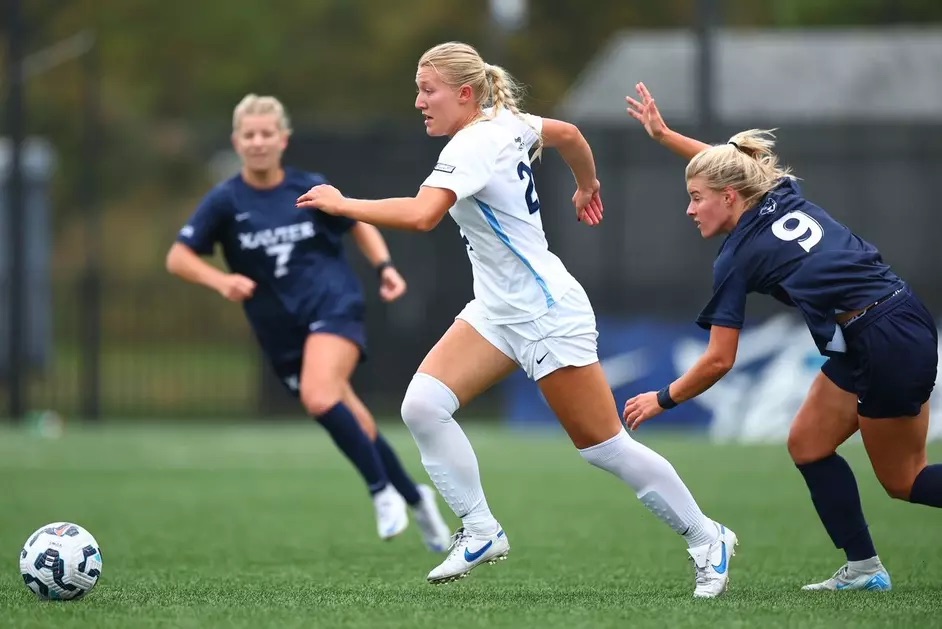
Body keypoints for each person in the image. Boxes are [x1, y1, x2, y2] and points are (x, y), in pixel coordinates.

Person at [295, 42, 737, 596]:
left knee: (604, 447)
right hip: (498, 308)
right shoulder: (506, 121)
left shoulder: (475, 142)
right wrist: (586, 185)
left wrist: (342, 204)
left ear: (464, 93)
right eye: (417, 89)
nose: (418, 102)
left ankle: (707, 536)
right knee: (423, 406)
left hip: (546, 312)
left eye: (427, 90)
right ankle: (480, 529)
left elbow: (423, 213)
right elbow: (571, 136)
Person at [623, 82, 942, 591]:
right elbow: (728, 166)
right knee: (809, 444)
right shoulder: (775, 193)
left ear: (729, 198)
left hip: (885, 340)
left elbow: (719, 362)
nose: (690, 209)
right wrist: (665, 136)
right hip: (889, 322)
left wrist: (662, 399)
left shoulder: (735, 258)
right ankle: (864, 570)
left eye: (696, 199)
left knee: (905, 480)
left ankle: (865, 568)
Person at [166, 93, 451, 552]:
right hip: (280, 331)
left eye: (267, 133)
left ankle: (381, 492)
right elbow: (178, 257)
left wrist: (384, 267)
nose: (258, 142)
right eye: (249, 134)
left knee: (319, 397)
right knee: (355, 419)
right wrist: (220, 282)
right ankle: (416, 497)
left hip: (333, 307)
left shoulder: (309, 187)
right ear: (237, 141)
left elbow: (357, 221)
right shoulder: (224, 201)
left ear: (283, 139)